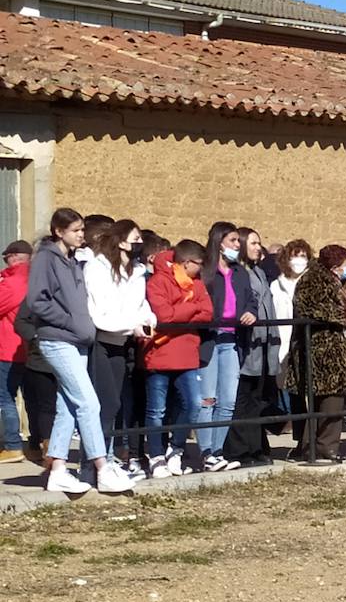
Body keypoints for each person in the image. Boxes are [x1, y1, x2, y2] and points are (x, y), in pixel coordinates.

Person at [28, 208, 135, 494]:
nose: (81, 235)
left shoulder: (74, 261)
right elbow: (38, 301)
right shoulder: (46, 260)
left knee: (68, 407)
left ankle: (59, 470)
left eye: (81, 230)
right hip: (58, 339)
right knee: (89, 403)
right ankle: (102, 467)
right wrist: (70, 322)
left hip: (78, 341)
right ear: (58, 231)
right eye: (75, 230)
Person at [84, 219, 157, 479]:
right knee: (105, 404)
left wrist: (148, 320)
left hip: (122, 341)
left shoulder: (136, 271)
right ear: (120, 241)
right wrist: (132, 325)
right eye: (134, 238)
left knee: (114, 406)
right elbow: (100, 313)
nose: (139, 243)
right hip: (101, 341)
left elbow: (141, 305)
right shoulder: (97, 268)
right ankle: (93, 465)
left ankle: (108, 459)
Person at [143, 240, 213, 477]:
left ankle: (176, 449)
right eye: (198, 265)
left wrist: (180, 314)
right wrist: (190, 309)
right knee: (156, 410)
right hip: (160, 353)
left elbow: (208, 313)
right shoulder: (158, 282)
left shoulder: (198, 284)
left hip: (187, 353)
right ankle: (155, 455)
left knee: (193, 403)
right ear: (186, 262)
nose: (200, 270)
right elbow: (164, 315)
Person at [284, 245, 346, 461]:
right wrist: (343, 314)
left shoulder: (333, 280)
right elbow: (310, 307)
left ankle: (320, 445)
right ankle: (320, 447)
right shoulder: (313, 280)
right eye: (344, 265)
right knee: (328, 401)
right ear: (334, 265)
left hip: (333, 348)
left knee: (333, 400)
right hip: (319, 350)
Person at [198, 222, 251, 472]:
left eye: (238, 241)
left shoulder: (240, 272)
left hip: (231, 340)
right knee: (208, 399)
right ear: (220, 242)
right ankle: (204, 452)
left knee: (228, 400)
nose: (237, 245)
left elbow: (250, 299)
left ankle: (217, 451)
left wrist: (250, 312)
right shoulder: (206, 271)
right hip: (210, 339)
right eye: (233, 241)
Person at [226, 227, 280, 467]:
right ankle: (239, 450)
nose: (259, 247)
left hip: (264, 344)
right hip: (248, 344)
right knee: (243, 399)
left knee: (258, 399)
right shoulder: (239, 273)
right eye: (254, 243)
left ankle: (257, 446)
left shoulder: (257, 271)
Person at [270, 239, 312, 445]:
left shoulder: (313, 283)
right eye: (296, 255)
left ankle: (311, 441)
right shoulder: (276, 286)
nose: (300, 260)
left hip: (308, 344)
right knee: (294, 393)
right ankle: (300, 441)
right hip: (284, 343)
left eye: (304, 256)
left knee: (310, 392)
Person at [0, 240, 33, 463]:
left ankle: (12, 446)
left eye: (6, 258)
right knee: (35, 398)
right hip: (33, 349)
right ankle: (42, 444)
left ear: (14, 257)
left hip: (9, 349)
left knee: (4, 396)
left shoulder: (12, 282)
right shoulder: (38, 279)